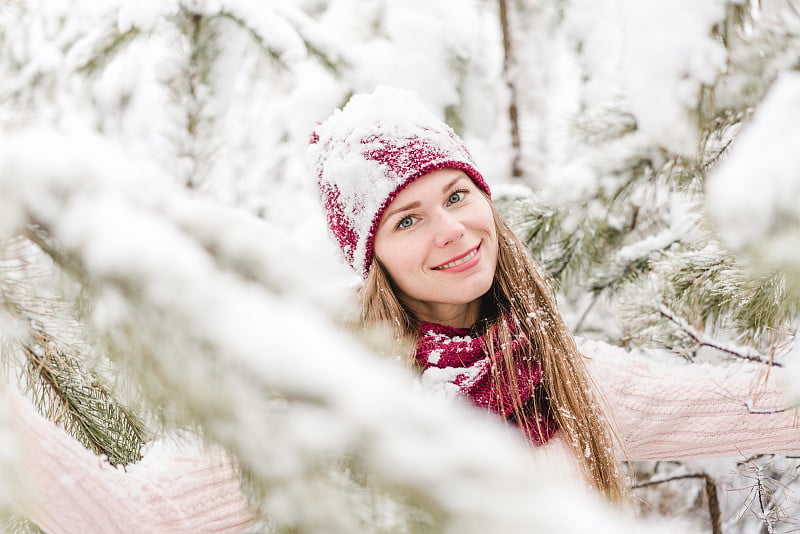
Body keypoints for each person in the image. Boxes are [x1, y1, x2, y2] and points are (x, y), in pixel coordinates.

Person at [6, 85, 800, 532]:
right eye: (408, 218)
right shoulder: (336, 404)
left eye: (457, 195)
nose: (453, 231)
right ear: (372, 255)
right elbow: (137, 517)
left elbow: (763, 406)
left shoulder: (566, 378)